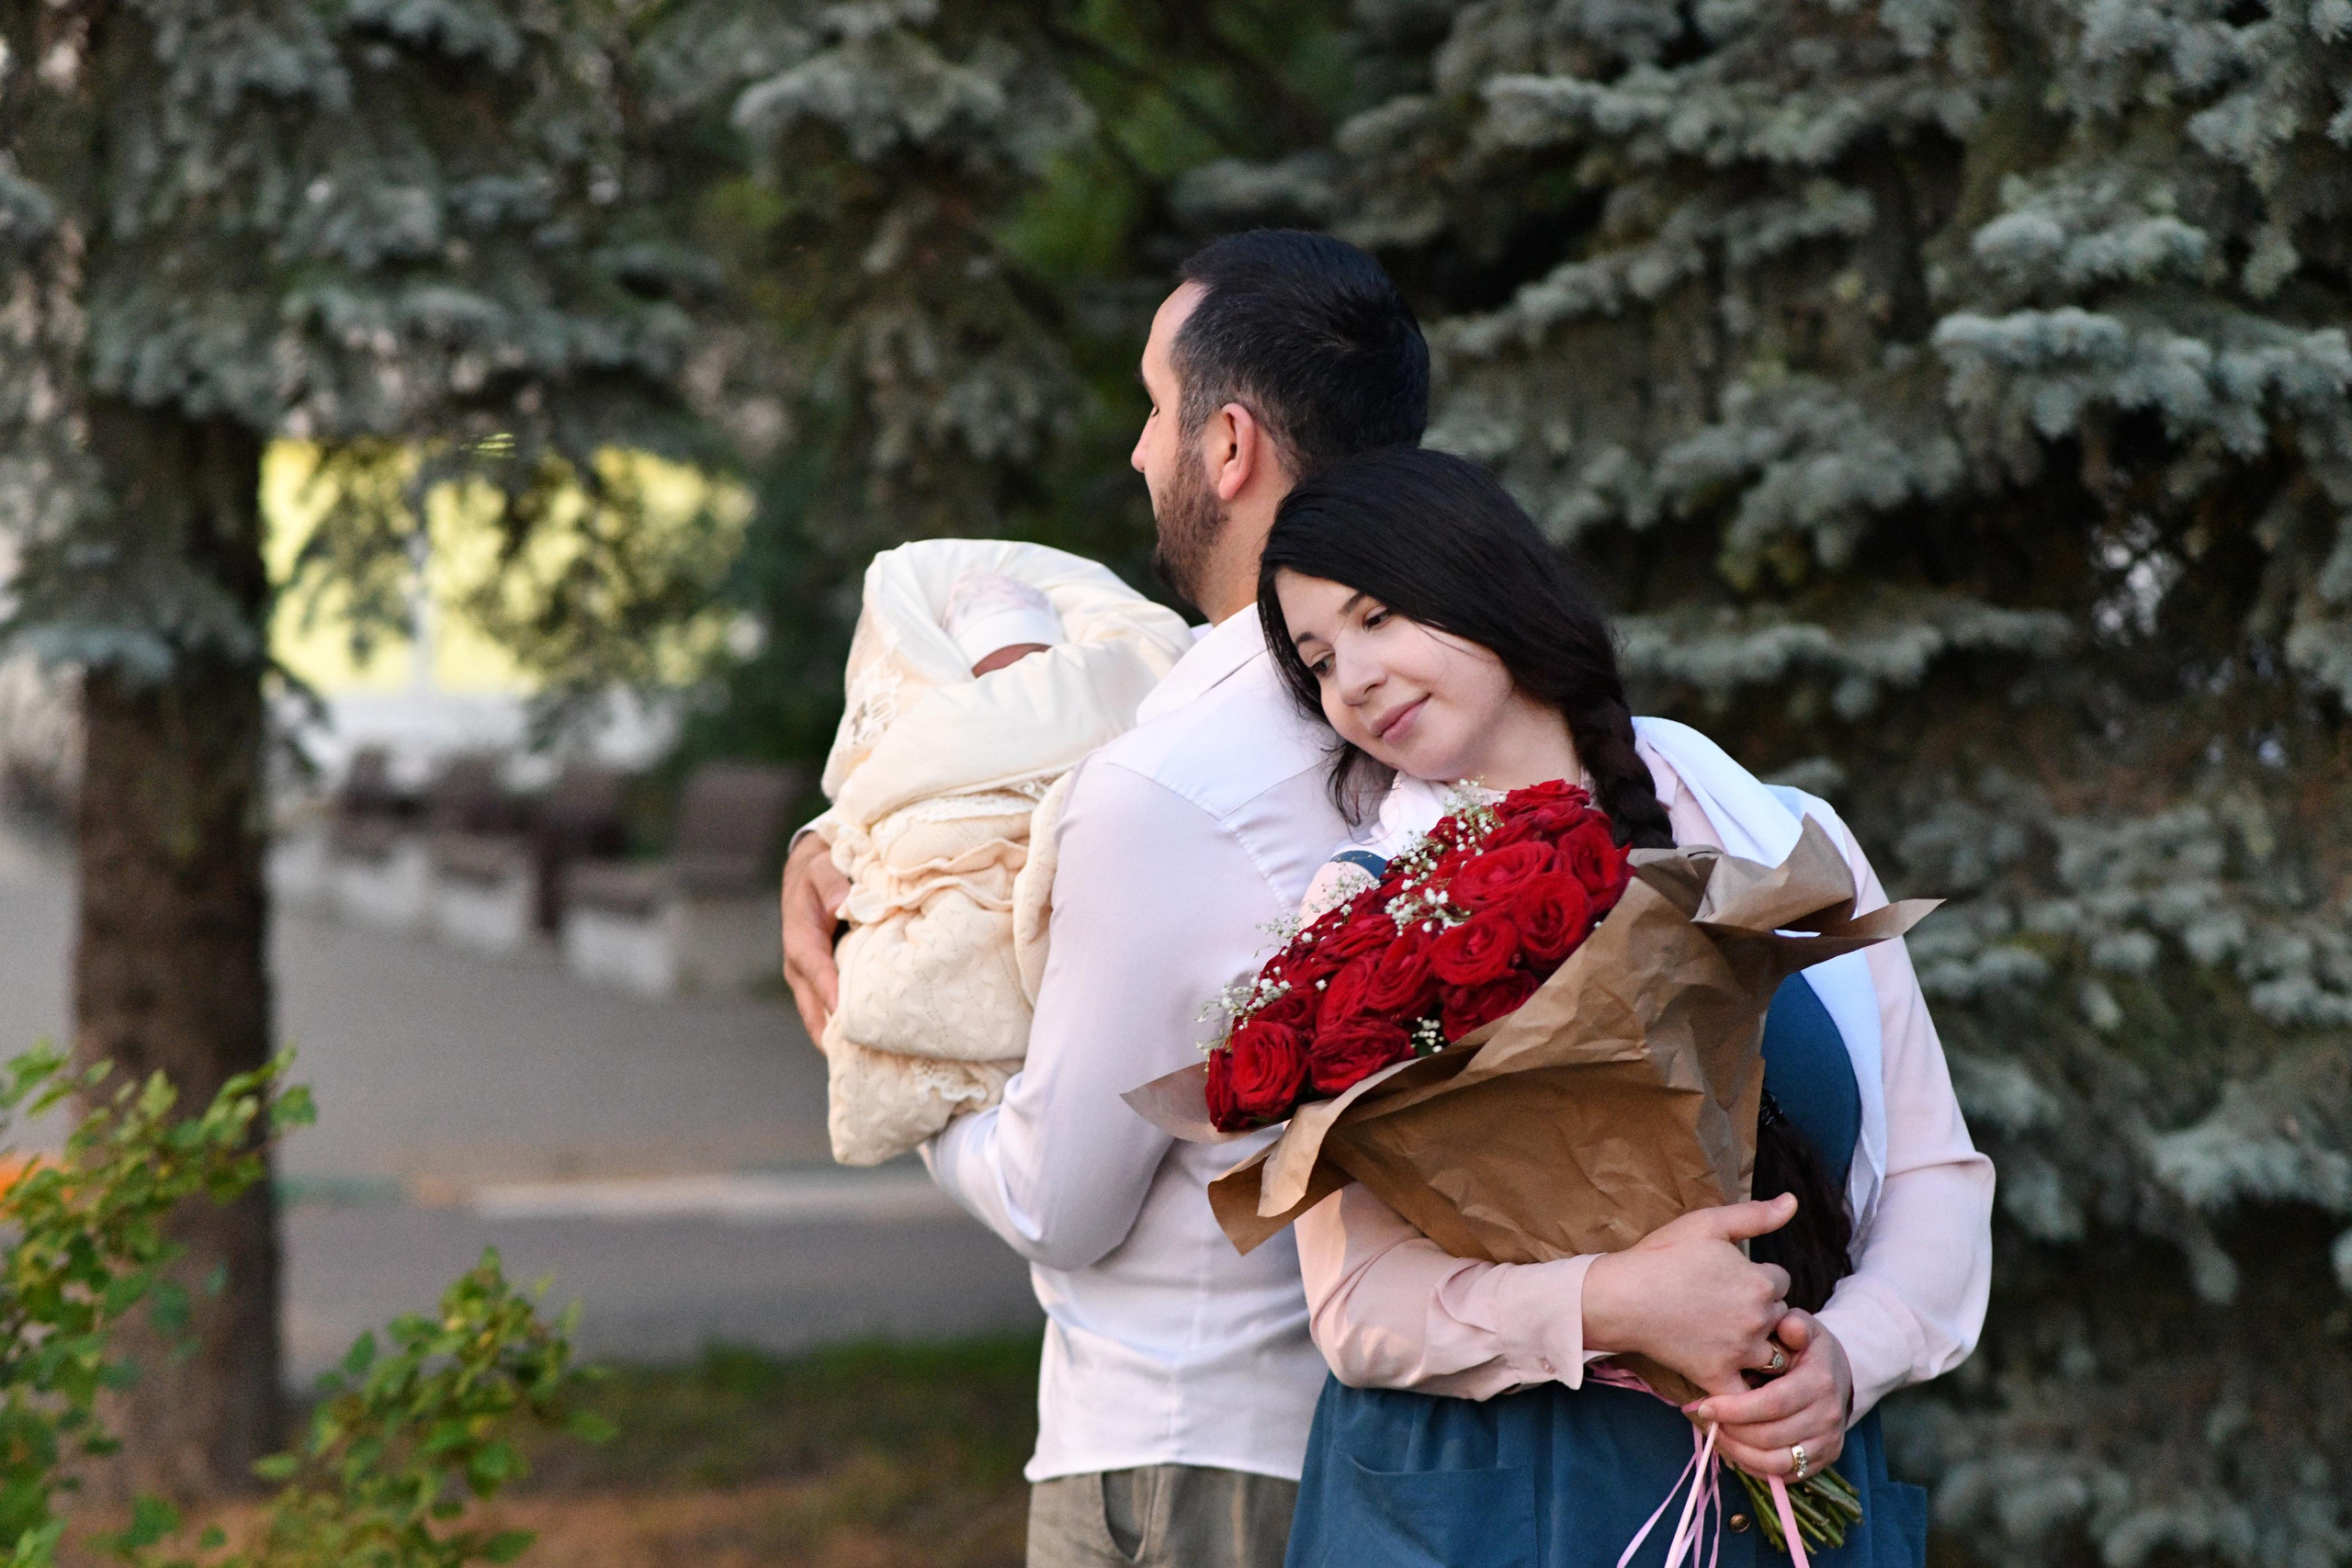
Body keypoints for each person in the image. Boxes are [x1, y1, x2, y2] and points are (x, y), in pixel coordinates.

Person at [780, 229, 1434, 1568]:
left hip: (1179, 1458)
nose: (1141, 452)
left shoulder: (1178, 777)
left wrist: (880, 1029)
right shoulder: (1427, 715)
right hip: (1388, 1441)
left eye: (1155, 407)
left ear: (1231, 444)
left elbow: (1053, 1197)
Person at [1257, 446, 1995, 1565]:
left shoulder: (1782, 840)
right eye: (1317, 658)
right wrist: (1613, 1302)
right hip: (1494, 1506)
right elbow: (1358, 1302)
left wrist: (1840, 1359)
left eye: (1378, 617)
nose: (1350, 677)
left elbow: (1933, 1174)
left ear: (1486, 584)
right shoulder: (1356, 920)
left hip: (1779, 1459)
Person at [814, 542, 1193, 1168]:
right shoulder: (939, 716)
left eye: (1031, 660)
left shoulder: (1094, 684)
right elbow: (884, 787)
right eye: (996, 665)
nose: (1014, 676)